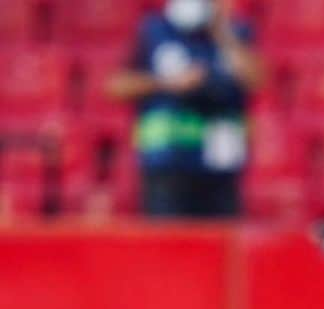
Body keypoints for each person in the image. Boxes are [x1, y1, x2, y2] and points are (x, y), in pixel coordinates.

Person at [109, 0, 262, 218]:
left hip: (221, 166)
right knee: (170, 246)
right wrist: (166, 83)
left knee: (219, 246)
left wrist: (223, 33)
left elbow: (257, 81)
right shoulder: (153, 30)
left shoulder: (237, 31)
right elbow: (117, 86)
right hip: (167, 167)